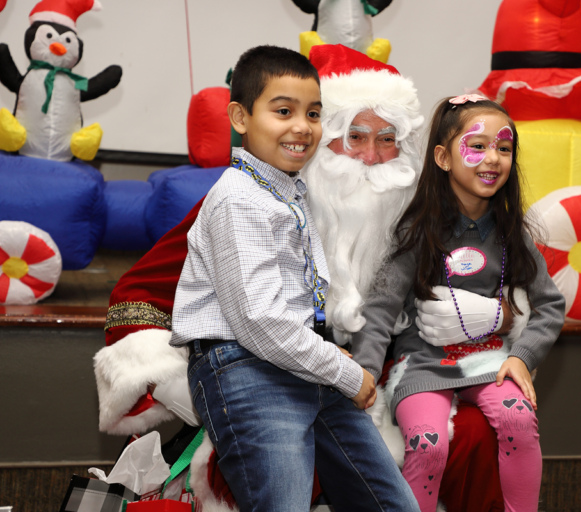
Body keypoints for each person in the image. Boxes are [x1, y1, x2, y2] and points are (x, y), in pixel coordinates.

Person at [95, 45, 511, 511]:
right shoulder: (247, 200)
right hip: (266, 371)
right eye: (354, 136)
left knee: (474, 430)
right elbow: (139, 296)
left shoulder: (418, 218)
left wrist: (497, 315)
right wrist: (181, 380)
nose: (372, 158)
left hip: (372, 381)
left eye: (387, 138)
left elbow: (490, 287)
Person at [166, 44, 418, 511]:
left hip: (307, 366)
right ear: (240, 118)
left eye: (314, 113)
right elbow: (260, 321)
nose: (302, 126)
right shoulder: (240, 199)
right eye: (283, 111)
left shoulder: (288, 193)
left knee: (388, 502)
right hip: (246, 368)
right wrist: (345, 371)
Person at [351, 95, 566, 512]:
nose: (493, 158)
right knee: (428, 445)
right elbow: (379, 309)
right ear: (443, 158)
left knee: (519, 420)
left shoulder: (512, 233)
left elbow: (550, 306)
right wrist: (365, 371)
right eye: (477, 145)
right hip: (423, 364)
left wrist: (522, 356)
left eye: (504, 148)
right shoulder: (416, 231)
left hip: (488, 359)